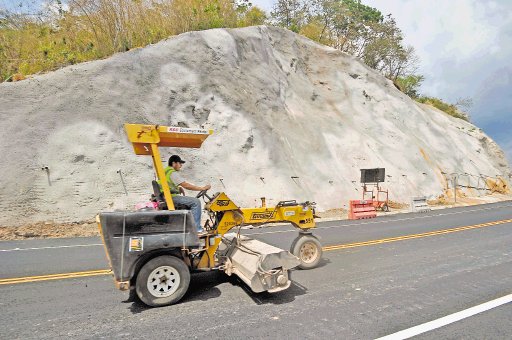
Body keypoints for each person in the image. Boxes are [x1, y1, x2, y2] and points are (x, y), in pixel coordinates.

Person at [159, 155, 211, 232]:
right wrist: (202, 188)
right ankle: (196, 229)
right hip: (171, 197)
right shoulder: (172, 172)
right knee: (196, 202)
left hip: (166, 196)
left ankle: (189, 226)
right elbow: (186, 185)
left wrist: (178, 188)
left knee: (192, 201)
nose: (181, 165)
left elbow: (166, 184)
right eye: (179, 163)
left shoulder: (165, 171)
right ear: (174, 163)